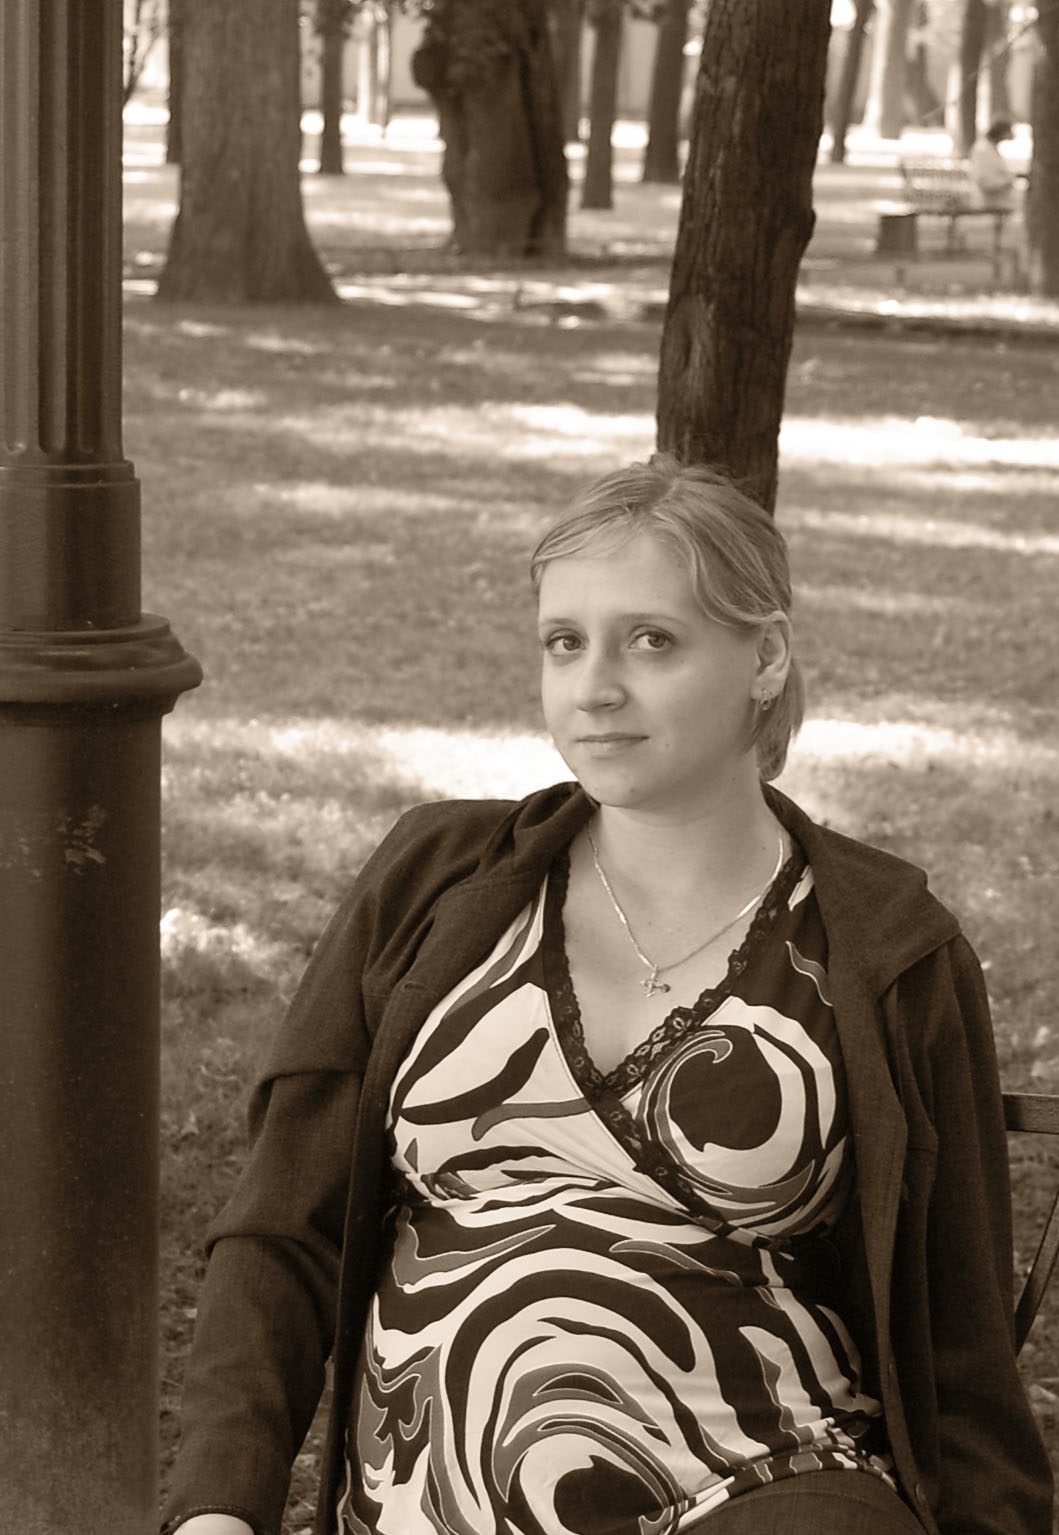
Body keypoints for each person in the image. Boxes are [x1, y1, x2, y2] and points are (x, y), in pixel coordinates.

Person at [162, 456, 1053, 1535]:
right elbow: (281, 1226)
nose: (594, 687)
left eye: (652, 640)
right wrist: (219, 1502)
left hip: (761, 1489)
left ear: (765, 656)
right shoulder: (433, 884)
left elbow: (958, 1343)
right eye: (564, 642)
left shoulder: (883, 947)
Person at [968, 118, 1018, 210]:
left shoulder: (989, 148)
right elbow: (983, 181)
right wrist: (1006, 182)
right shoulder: (983, 150)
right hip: (988, 203)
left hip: (998, 202)